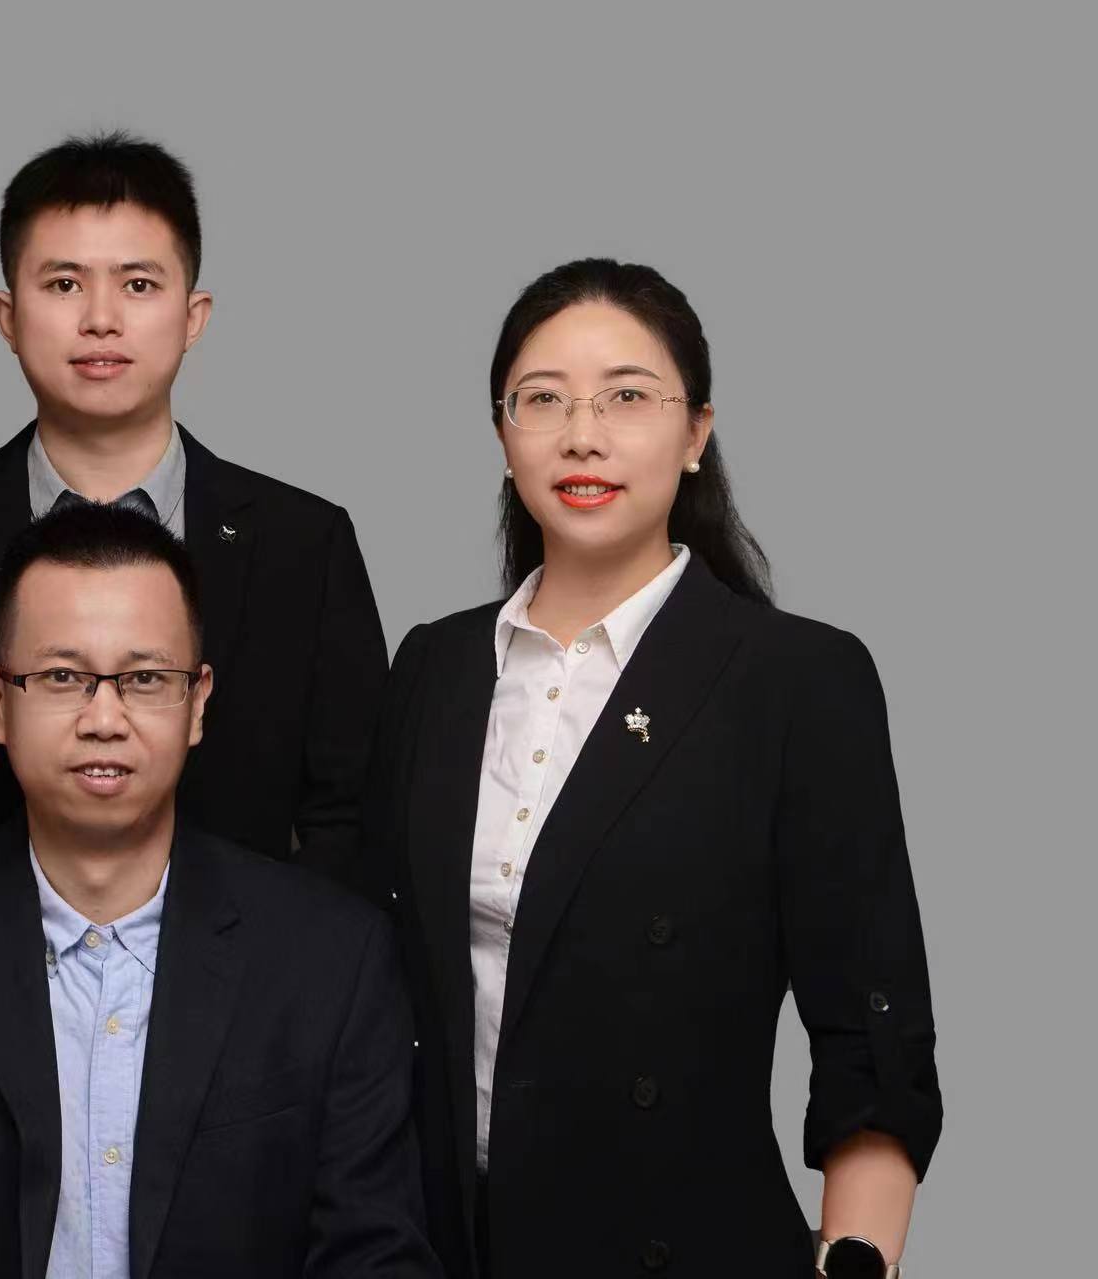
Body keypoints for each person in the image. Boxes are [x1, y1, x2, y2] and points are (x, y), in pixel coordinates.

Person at [364, 259, 941, 1278]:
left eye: (626, 397)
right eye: (542, 399)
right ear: (502, 435)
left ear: (695, 434)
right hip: (440, 1244)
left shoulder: (795, 679)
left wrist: (856, 1260)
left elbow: (871, 1031)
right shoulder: (434, 666)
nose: (581, 435)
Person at [0, 504, 438, 1277]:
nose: (104, 718)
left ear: (198, 702)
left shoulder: (329, 959)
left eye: (145, 679)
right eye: (63, 677)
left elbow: (374, 1255)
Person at [0, 130, 388, 886]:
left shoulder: (305, 544)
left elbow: (350, 818)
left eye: (138, 284)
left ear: (193, 315)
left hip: (257, 955)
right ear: (7, 316)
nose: (100, 319)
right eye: (63, 284)